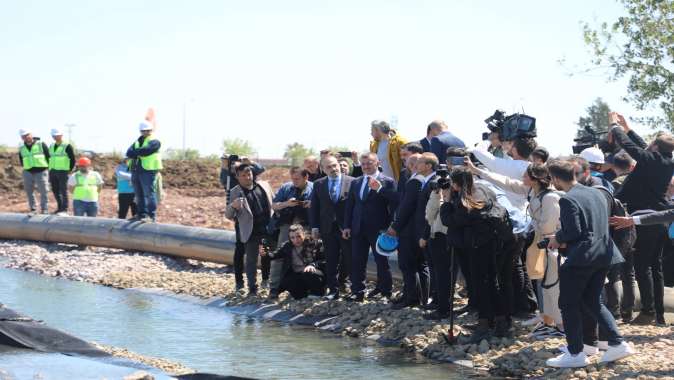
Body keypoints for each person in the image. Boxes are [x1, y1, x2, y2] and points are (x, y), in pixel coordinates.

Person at [545, 159, 633, 368]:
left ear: (556, 178)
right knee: (593, 301)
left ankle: (575, 353)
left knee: (568, 304)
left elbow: (573, 232)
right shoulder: (597, 192)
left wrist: (557, 238)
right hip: (604, 255)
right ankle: (617, 343)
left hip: (582, 258)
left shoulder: (567, 199)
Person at [468, 160, 565, 339]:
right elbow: (506, 182)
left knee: (551, 285)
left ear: (535, 178)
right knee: (543, 285)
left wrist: (532, 230)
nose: (522, 177)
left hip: (548, 245)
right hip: (538, 242)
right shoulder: (532, 191)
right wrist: (477, 171)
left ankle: (559, 325)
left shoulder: (550, 197)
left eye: (526, 175)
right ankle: (548, 320)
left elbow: (549, 226)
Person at [608, 112, 674, 326]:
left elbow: (631, 147)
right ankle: (658, 315)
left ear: (655, 148)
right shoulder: (665, 161)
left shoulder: (649, 159)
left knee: (642, 266)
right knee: (656, 267)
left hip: (643, 218)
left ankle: (647, 312)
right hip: (659, 219)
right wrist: (628, 129)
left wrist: (615, 126)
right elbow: (643, 146)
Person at [440, 167, 509, 342]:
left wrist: (446, 201)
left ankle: (485, 323)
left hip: (476, 246)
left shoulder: (467, 201)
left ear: (456, 183)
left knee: (482, 284)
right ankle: (499, 321)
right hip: (489, 243)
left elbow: (449, 221)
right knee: (491, 282)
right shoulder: (483, 190)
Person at [343, 153, 397, 301]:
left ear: (377, 162)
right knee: (357, 260)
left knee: (381, 260)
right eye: (363, 163)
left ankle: (385, 290)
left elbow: (393, 204)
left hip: (379, 228)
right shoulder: (356, 181)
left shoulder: (387, 181)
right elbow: (350, 206)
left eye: (369, 163)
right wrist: (346, 226)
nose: (366, 166)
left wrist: (392, 226)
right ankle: (358, 291)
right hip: (357, 227)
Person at [225, 164, 275, 296]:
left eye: (249, 174)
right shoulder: (235, 191)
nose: (248, 178)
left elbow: (274, 202)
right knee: (251, 260)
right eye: (243, 175)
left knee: (267, 255)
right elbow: (228, 215)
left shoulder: (263, 185)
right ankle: (252, 287)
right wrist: (233, 206)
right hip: (250, 231)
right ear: (237, 177)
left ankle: (266, 280)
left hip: (266, 228)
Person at [309, 155, 354, 299]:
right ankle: (333, 289)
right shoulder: (318, 184)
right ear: (323, 169)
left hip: (346, 228)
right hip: (327, 228)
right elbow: (314, 207)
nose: (333, 168)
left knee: (350, 258)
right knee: (331, 259)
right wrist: (314, 227)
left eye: (335, 165)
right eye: (329, 167)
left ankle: (353, 287)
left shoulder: (352, 182)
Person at [388, 156, 429, 309]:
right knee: (419, 266)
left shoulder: (415, 181)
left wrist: (395, 226)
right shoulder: (419, 180)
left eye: (412, 162)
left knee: (409, 265)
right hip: (416, 230)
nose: (408, 165)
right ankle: (417, 296)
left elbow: (406, 207)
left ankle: (412, 298)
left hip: (409, 230)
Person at [269, 167, 314, 298]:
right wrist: (287, 204)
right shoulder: (286, 188)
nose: (294, 181)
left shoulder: (315, 187)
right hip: (286, 226)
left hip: (306, 227)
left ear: (306, 177)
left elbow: (322, 206)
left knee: (307, 256)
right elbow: (274, 206)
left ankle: (306, 288)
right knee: (279, 256)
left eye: (297, 179)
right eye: (292, 178)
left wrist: (312, 204)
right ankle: (274, 288)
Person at [261, 224, 326, 300]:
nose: (296, 240)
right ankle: (303, 295)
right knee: (287, 281)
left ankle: (318, 292)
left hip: (316, 273)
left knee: (308, 272)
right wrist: (265, 254)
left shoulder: (314, 243)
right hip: (299, 275)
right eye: (292, 237)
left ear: (303, 234)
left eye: (298, 236)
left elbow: (324, 260)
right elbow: (275, 255)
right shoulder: (287, 246)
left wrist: (313, 265)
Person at [413, 153, 440, 308]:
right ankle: (434, 297)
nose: (417, 164)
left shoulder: (434, 182)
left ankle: (437, 299)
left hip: (431, 232)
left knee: (436, 267)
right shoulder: (425, 181)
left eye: (420, 162)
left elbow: (432, 212)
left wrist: (425, 235)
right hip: (424, 230)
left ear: (429, 165)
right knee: (431, 265)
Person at [126, 120, 162, 222]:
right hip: (136, 170)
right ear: (140, 131)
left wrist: (136, 153)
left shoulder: (155, 141)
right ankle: (141, 215)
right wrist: (139, 152)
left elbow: (146, 151)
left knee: (149, 194)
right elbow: (128, 152)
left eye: (148, 130)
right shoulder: (137, 141)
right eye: (144, 130)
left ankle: (151, 216)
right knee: (138, 194)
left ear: (151, 130)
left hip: (148, 170)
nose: (146, 132)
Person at [18, 129, 51, 214]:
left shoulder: (41, 144)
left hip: (41, 171)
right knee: (29, 191)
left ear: (31, 134)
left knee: (43, 191)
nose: (25, 137)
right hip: (27, 172)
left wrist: (47, 168)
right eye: (23, 136)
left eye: (27, 135)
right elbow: (21, 160)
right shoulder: (21, 148)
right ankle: (33, 209)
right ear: (22, 138)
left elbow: (48, 157)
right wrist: (26, 168)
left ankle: (44, 209)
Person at [48, 128, 76, 215]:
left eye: (57, 135)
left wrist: (69, 170)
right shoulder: (51, 146)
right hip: (52, 171)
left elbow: (72, 159)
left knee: (63, 190)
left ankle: (65, 208)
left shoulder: (67, 145)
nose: (56, 137)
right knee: (55, 190)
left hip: (63, 171)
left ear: (61, 135)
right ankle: (60, 207)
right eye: (54, 135)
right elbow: (50, 158)